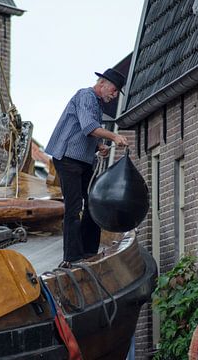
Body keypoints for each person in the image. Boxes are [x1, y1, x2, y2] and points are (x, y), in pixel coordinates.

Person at [45, 68, 128, 268]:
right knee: (74, 207)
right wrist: (114, 136)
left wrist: (99, 146)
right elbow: (89, 126)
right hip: (67, 158)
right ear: (102, 84)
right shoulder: (85, 95)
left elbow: (86, 132)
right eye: (114, 90)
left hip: (82, 160)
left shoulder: (97, 103)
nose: (114, 95)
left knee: (93, 202)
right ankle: (72, 258)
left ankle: (89, 251)